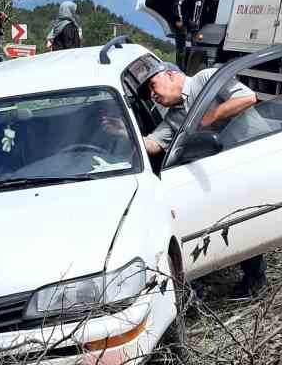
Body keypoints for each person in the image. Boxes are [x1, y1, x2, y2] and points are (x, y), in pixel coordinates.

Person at [105, 60, 269, 296]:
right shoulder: (175, 116)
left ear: (171, 75)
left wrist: (210, 117)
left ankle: (256, 279)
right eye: (149, 93)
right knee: (234, 218)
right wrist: (124, 133)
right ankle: (248, 280)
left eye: (153, 86)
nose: (153, 95)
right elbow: (153, 144)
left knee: (246, 217)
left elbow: (248, 98)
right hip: (225, 170)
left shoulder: (205, 79)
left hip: (254, 157)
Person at [170, 0, 200, 69]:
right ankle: (180, 68)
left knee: (195, 28)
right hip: (180, 24)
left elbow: (189, 0)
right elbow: (178, 5)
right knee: (180, 47)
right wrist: (179, 20)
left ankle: (185, 62)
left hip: (185, 22)